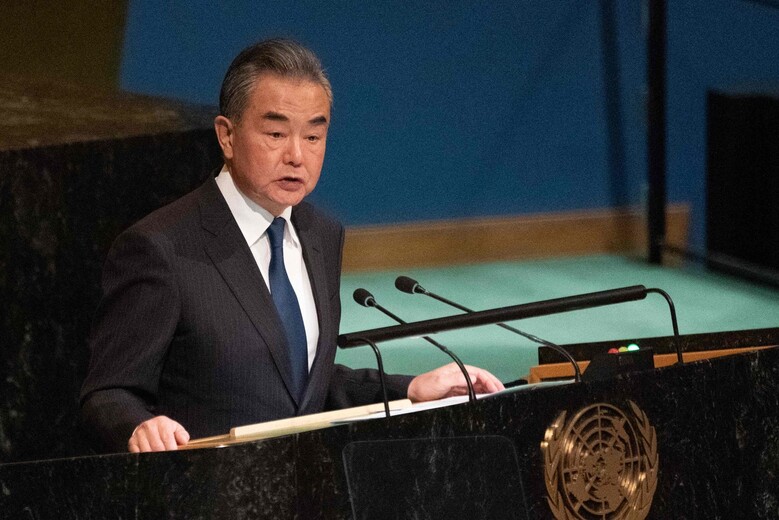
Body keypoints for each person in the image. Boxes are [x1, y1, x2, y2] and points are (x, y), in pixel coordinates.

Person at [80, 38, 503, 454]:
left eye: (313, 137)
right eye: (276, 133)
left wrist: (409, 387)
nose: (296, 156)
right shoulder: (161, 248)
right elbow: (109, 392)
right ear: (226, 136)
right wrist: (139, 426)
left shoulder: (322, 234)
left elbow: (296, 380)